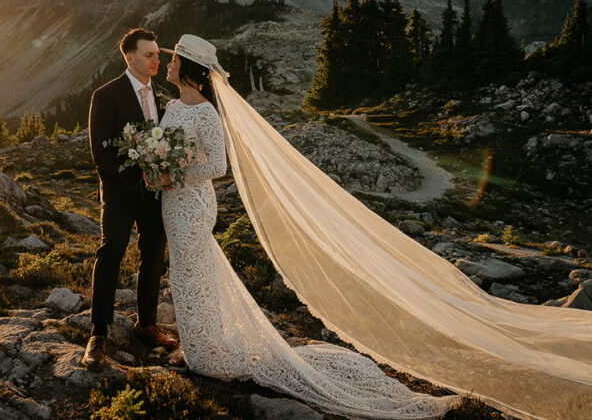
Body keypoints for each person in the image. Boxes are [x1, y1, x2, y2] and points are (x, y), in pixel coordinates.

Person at [155, 34, 456, 418]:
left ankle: (204, 353)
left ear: (189, 67)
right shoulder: (172, 106)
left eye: (174, 59)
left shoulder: (207, 113)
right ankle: (200, 344)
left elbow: (218, 166)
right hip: (171, 203)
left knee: (195, 272)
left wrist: (175, 176)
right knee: (185, 275)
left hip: (193, 204)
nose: (169, 64)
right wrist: (158, 168)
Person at [82, 28, 179, 372]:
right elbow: (100, 152)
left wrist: (161, 171)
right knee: (112, 251)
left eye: (157, 54)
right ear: (130, 57)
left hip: (155, 194)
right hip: (120, 192)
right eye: (150, 54)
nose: (157, 59)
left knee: (153, 254)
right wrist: (136, 175)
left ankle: (146, 324)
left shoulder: (162, 96)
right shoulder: (106, 95)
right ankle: (98, 333)